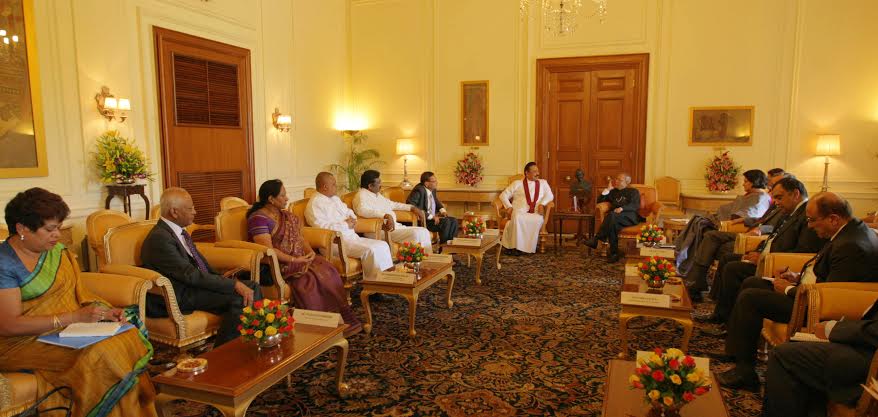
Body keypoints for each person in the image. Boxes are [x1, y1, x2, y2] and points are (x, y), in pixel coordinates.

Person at [0, 188, 157, 417]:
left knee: (126, 333)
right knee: (100, 355)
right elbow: (9, 326)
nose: (57, 235)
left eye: (59, 228)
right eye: (50, 229)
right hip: (20, 342)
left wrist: (103, 313)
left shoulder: (56, 252)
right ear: (22, 228)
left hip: (66, 330)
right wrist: (73, 318)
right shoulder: (4, 263)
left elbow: (78, 294)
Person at [713, 192, 878, 391]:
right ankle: (738, 352)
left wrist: (790, 289)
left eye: (812, 220)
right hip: (809, 292)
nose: (809, 225)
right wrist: (797, 275)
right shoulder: (849, 231)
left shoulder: (852, 246)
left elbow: (830, 293)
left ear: (833, 219)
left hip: (816, 308)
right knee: (752, 283)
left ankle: (745, 372)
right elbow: (826, 272)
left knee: (751, 299)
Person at [698, 177, 826, 329]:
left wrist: (764, 258)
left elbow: (803, 252)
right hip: (766, 257)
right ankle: (721, 313)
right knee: (728, 258)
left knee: (733, 268)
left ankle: (726, 319)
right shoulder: (789, 212)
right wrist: (756, 252)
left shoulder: (806, 215)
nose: (776, 202)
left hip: (776, 265)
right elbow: (772, 237)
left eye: (779, 197)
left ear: (795, 194)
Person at [141, 187, 261, 347]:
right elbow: (190, 274)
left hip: (193, 286)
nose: (195, 212)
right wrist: (233, 285)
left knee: (253, 287)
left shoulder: (177, 232)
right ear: (174, 212)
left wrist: (220, 277)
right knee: (240, 298)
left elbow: (200, 263)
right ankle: (224, 356)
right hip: (179, 293)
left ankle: (251, 343)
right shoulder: (160, 238)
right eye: (190, 208)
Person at [247, 180, 362, 336]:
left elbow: (300, 238)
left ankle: (342, 320)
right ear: (271, 199)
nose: (287, 198)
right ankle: (320, 327)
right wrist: (294, 260)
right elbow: (268, 250)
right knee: (309, 279)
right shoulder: (258, 219)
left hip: (298, 258)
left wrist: (310, 253)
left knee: (328, 269)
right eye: (283, 195)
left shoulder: (286, 216)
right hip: (275, 265)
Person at [762, 300, 878, 417]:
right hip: (866, 347)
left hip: (871, 359)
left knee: (782, 355)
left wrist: (832, 329)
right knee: (799, 349)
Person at [685, 173, 790, 301]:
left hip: (755, 237)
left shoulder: (783, 207)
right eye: (771, 185)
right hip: (749, 230)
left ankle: (698, 283)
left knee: (718, 244)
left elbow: (776, 229)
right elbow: (762, 218)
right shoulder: (777, 204)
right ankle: (698, 281)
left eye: (773, 185)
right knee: (710, 235)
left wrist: (760, 229)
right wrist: (745, 220)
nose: (770, 188)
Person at [674, 169, 772, 278]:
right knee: (698, 222)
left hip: (737, 228)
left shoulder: (760, 197)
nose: (743, 184)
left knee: (703, 229)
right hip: (726, 223)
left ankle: (693, 271)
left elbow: (747, 213)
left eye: (746, 181)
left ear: (754, 182)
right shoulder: (751, 195)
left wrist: (739, 219)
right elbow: (729, 209)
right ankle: (690, 267)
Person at [305, 172, 394, 281]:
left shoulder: (334, 198)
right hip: (335, 243)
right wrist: (345, 224)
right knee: (371, 250)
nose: (336, 186)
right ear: (325, 187)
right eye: (333, 184)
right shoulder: (314, 204)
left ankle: (388, 282)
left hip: (351, 237)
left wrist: (352, 218)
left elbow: (348, 211)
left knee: (382, 245)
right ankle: (374, 289)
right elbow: (322, 229)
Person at [354, 170, 433, 253]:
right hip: (379, 230)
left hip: (394, 227)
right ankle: (415, 260)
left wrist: (412, 208)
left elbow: (393, 204)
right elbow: (363, 211)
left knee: (423, 231)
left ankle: (427, 260)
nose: (381, 185)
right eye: (379, 182)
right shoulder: (361, 195)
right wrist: (385, 215)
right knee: (416, 233)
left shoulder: (376, 194)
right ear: (370, 186)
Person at [584, 172, 642, 263]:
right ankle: (614, 254)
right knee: (613, 224)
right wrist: (608, 189)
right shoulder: (613, 192)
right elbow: (599, 201)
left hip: (630, 216)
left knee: (611, 216)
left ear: (627, 182)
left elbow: (635, 205)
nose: (616, 181)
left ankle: (597, 239)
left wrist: (622, 208)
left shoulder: (633, 191)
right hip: (615, 218)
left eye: (620, 180)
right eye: (616, 179)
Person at [499, 162, 555, 255]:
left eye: (537, 171)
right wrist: (509, 206)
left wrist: (542, 204)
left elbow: (550, 196)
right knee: (517, 217)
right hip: (519, 211)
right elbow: (503, 195)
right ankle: (515, 247)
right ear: (527, 173)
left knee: (535, 219)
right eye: (534, 171)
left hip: (536, 213)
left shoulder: (543, 183)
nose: (537, 173)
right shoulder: (517, 183)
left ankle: (523, 248)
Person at [406, 172, 459, 244]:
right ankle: (443, 248)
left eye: (436, 180)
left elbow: (436, 201)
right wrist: (431, 217)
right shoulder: (418, 190)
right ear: (426, 183)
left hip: (432, 219)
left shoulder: (432, 189)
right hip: (423, 220)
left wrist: (442, 210)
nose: (436, 183)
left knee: (454, 221)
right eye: (434, 181)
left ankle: (451, 246)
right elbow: (410, 204)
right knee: (446, 222)